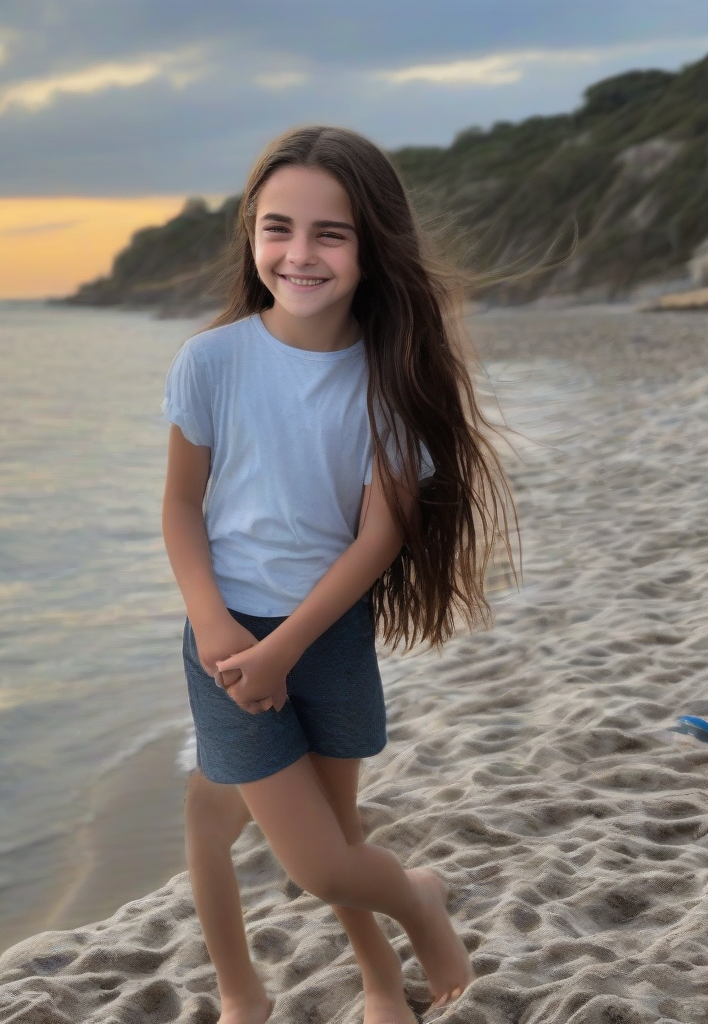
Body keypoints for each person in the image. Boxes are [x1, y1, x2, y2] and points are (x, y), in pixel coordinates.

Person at [161, 125, 514, 1024]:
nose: (300, 254)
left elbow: (378, 539)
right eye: (278, 228)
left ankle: (379, 972)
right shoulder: (212, 362)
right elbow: (181, 510)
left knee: (324, 839)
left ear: (370, 246)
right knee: (308, 855)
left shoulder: (389, 376)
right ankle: (249, 990)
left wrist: (289, 648)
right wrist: (216, 627)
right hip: (229, 639)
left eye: (332, 233)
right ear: (251, 234)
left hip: (324, 633)